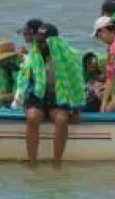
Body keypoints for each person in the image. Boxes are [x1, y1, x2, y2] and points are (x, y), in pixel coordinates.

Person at [13, 20, 86, 167]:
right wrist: (18, 100)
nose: (41, 45)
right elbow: (23, 80)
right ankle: (32, 161)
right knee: (32, 117)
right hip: (37, 97)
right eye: (39, 42)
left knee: (61, 119)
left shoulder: (69, 57)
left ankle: (56, 161)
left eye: (44, 42)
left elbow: (76, 83)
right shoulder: (34, 55)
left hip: (57, 98)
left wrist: (76, 108)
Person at [0, 40, 22, 107]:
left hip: (18, 103)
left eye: (0, 58)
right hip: (3, 102)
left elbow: (20, 95)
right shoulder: (1, 66)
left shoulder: (20, 68)